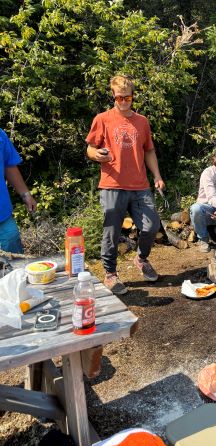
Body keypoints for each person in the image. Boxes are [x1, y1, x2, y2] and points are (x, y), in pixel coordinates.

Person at [86, 75, 164, 295]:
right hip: (112, 184)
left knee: (151, 225)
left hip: (140, 185)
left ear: (132, 96)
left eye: (127, 97)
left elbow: (148, 150)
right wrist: (96, 156)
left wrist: (156, 175)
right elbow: (90, 148)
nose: (123, 102)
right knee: (111, 232)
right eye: (119, 98)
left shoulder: (142, 121)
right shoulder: (102, 119)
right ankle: (110, 274)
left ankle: (141, 259)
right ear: (113, 96)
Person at [0, 129, 37, 253]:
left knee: (12, 241)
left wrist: (26, 195)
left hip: (2, 212)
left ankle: (13, 272)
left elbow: (9, 165)